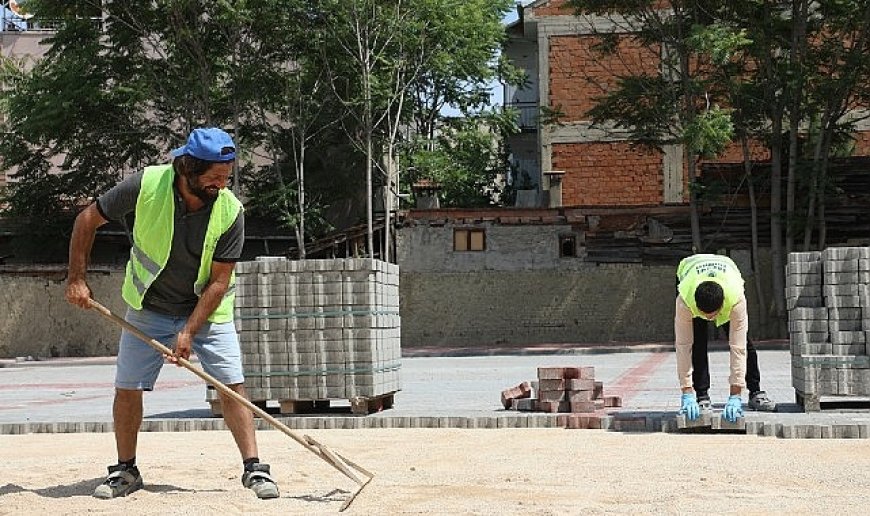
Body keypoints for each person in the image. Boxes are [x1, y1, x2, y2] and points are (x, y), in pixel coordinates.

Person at [66, 127, 279, 500]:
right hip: (150, 307)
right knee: (128, 386)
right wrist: (77, 279)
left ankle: (254, 468)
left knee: (232, 385)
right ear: (188, 169)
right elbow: (86, 220)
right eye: (213, 177)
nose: (221, 184)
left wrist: (190, 332)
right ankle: (126, 469)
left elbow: (218, 282)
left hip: (208, 313)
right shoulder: (146, 184)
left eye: (226, 176)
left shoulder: (230, 210)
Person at [674, 253, 764, 423]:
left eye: (712, 315)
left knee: (744, 342)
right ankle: (701, 396)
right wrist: (686, 391)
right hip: (690, 270)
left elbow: (738, 348)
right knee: (697, 341)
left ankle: (755, 391)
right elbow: (683, 346)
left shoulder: (736, 299)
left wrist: (735, 395)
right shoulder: (684, 300)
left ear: (722, 305)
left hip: (726, 268)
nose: (709, 319)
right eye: (704, 315)